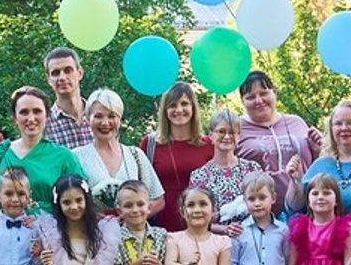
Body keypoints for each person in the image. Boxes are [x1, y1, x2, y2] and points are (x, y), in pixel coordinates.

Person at [0, 86, 83, 213]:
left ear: (47, 115)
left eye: (37, 111)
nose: (31, 118)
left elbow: (80, 200)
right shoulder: (1, 153)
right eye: (24, 112)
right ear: (14, 117)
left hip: (52, 229)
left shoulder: (64, 157)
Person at [288, 100, 351, 226]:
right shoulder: (320, 165)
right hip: (329, 243)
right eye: (338, 123)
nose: (344, 128)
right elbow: (296, 208)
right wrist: (295, 181)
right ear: (331, 129)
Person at [235, 71, 321, 213]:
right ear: (243, 101)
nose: (258, 100)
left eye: (263, 93)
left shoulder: (297, 122)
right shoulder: (236, 128)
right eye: (251, 97)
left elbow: (315, 165)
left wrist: (317, 150)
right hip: (261, 216)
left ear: (274, 93)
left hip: (307, 210)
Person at [72, 88, 165, 217]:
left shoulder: (135, 155)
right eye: (98, 116)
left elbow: (158, 200)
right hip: (92, 234)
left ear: (120, 119)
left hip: (132, 235)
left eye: (111, 116)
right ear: (88, 119)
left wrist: (131, 217)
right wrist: (89, 216)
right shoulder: (76, 157)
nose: (105, 123)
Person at [139, 82, 213, 233]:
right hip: (159, 227)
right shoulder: (150, 144)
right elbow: (140, 186)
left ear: (193, 108)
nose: (179, 110)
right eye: (173, 105)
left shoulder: (209, 144)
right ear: (165, 110)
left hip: (200, 225)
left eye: (184, 103)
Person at [189, 109, 264, 233]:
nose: (227, 137)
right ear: (211, 135)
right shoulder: (199, 176)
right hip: (215, 244)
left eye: (232, 132)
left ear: (239, 136)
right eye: (221, 131)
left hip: (252, 239)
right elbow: (195, 218)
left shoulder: (252, 169)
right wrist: (223, 229)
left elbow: (264, 206)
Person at [42, 47, 92, 149]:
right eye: (55, 73)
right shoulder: (44, 125)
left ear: (80, 73)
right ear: (49, 80)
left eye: (68, 70)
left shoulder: (99, 116)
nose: (62, 77)